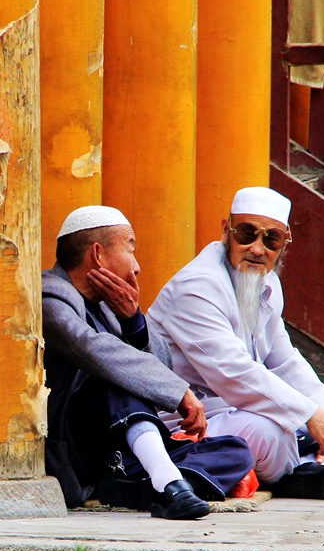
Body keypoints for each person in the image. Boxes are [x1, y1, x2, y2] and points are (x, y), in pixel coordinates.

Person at [147, 187, 324, 500]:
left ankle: (308, 463)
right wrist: (309, 417)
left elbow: (286, 363)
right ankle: (297, 471)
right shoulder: (197, 287)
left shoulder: (267, 283)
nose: (257, 249)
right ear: (226, 231)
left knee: (299, 419)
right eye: (247, 234)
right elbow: (233, 374)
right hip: (184, 425)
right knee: (272, 433)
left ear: (284, 243)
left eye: (270, 240)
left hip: (235, 411)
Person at [42, 205, 255, 520]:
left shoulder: (110, 304)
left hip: (126, 450)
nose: (137, 266)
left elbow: (160, 367)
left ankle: (144, 485)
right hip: (81, 451)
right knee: (113, 376)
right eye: (130, 248)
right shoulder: (52, 298)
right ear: (98, 254)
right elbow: (97, 350)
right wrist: (179, 392)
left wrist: (133, 322)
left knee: (236, 452)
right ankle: (170, 484)